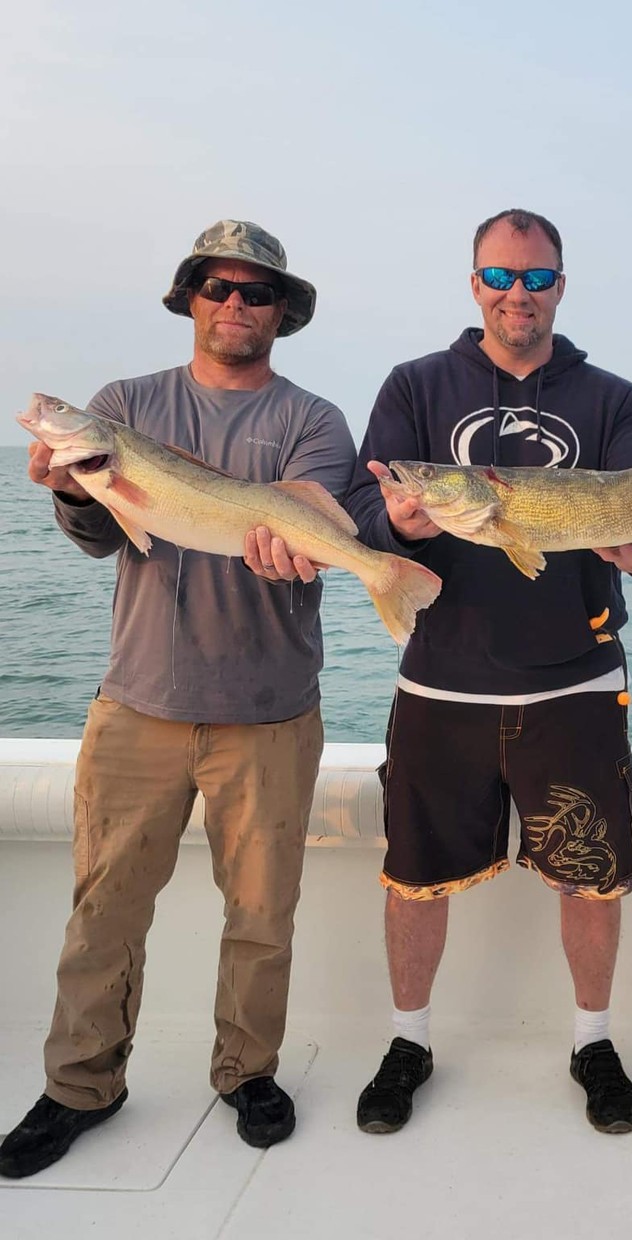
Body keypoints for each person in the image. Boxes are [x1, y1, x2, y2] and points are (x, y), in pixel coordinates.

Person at [0, 220, 357, 1179]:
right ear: (188, 298)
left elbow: (311, 529)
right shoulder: (123, 409)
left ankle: (248, 1071)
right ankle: (82, 1084)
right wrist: (78, 492)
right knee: (104, 907)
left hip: (272, 710)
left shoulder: (315, 421)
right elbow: (103, 536)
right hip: (139, 704)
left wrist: (307, 552)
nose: (234, 305)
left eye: (256, 293)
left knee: (261, 912)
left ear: (283, 312)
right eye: (216, 287)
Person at [343, 207, 632, 1137]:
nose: (516, 294)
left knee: (591, 875)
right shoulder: (415, 384)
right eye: (499, 276)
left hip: (575, 680)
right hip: (440, 679)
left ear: (561, 286)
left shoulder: (611, 399)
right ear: (473, 282)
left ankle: (593, 1041)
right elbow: (368, 511)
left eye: (535, 279)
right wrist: (400, 521)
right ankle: (409, 1040)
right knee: (414, 873)